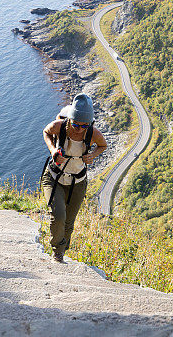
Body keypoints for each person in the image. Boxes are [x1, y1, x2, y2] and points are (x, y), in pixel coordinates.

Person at [41, 93, 107, 263]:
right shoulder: (60, 126)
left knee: (69, 222)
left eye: (84, 125)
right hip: (54, 178)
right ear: (69, 119)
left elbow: (103, 145)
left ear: (90, 123)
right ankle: (57, 250)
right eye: (75, 124)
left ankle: (62, 251)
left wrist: (93, 154)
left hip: (77, 182)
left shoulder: (92, 133)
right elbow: (46, 132)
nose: (79, 129)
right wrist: (53, 151)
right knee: (58, 216)